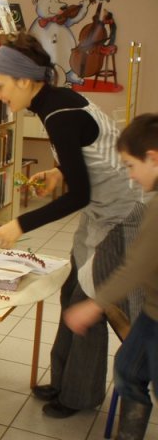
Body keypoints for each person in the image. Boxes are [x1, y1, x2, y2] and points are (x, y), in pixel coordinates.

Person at [0, 33, 144, 418]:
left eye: (0, 86)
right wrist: (59, 172)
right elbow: (89, 155)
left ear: (25, 80)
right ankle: (63, 381)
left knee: (85, 306)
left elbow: (80, 197)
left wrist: (19, 224)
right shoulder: (53, 104)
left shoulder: (58, 113)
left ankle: (78, 395)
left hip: (123, 215)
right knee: (72, 292)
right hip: (103, 211)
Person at [64, 113, 158, 439]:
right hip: (151, 313)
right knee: (128, 371)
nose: (130, 176)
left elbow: (136, 266)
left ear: (153, 158)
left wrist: (94, 304)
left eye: (131, 166)